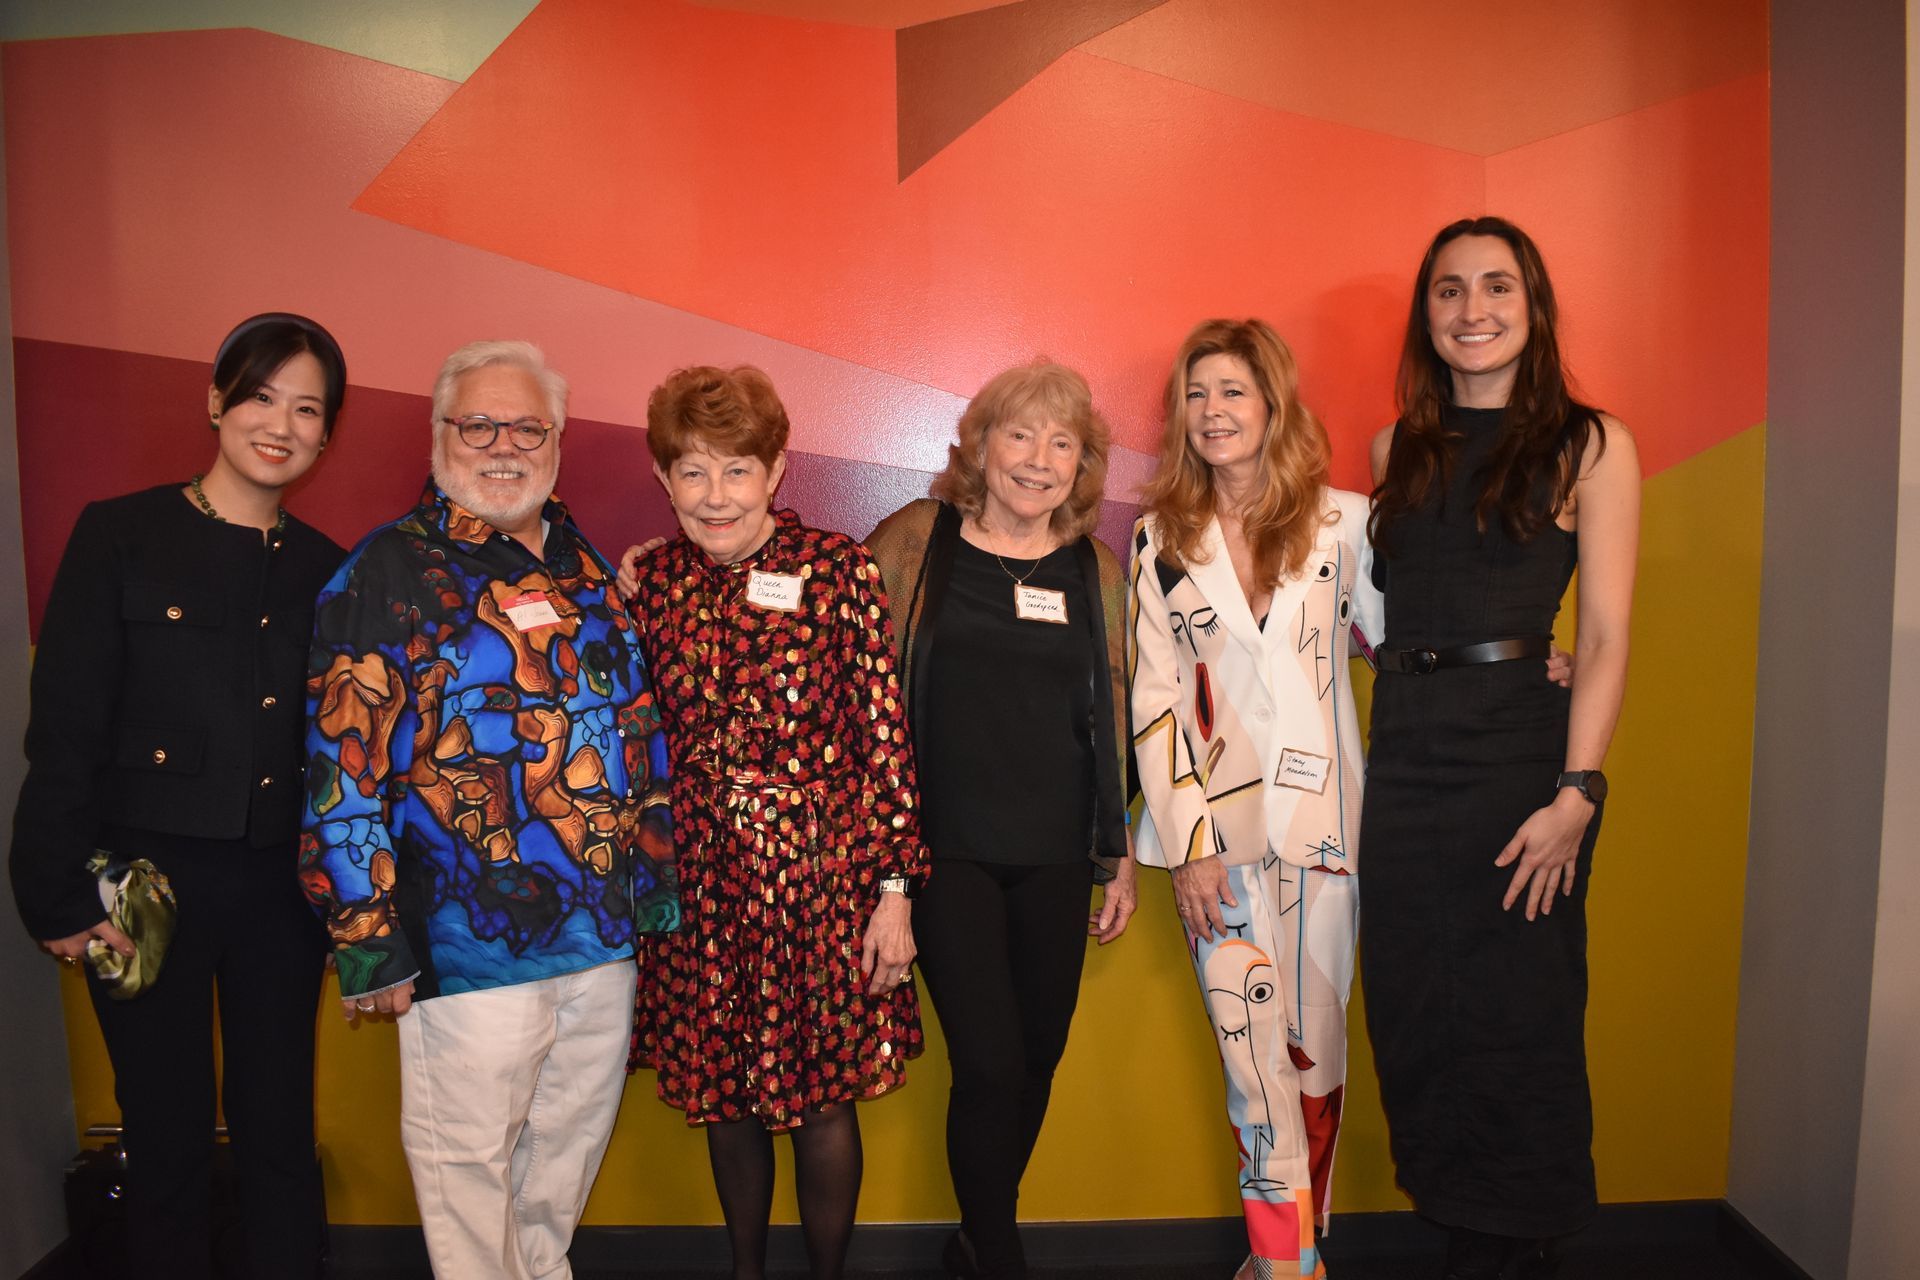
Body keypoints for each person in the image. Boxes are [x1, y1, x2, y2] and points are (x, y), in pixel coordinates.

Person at [301, 340, 677, 1280]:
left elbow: (636, 725)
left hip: (603, 939)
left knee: (561, 1164)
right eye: (478, 423)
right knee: (468, 1177)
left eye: (526, 426)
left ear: (554, 440)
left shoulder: (583, 560)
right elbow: (342, 772)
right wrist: (368, 940)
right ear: (441, 436)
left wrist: (656, 888)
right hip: (468, 946)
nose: (502, 445)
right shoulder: (385, 574)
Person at [10, 313, 347, 1278]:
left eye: (307, 408)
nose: (279, 423)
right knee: (165, 1137)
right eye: (259, 396)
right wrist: (59, 897)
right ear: (215, 400)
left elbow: (342, 759)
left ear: (327, 435)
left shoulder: (331, 571)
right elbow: (65, 727)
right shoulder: (120, 534)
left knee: (280, 1129)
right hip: (140, 889)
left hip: (281, 895)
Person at [1362, 216, 1639, 1280]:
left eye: (1496, 288)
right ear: (1426, 313)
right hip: (1406, 754)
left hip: (1523, 764)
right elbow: (1377, 609)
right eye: (1448, 291)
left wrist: (1579, 788)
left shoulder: (1590, 441)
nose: (1471, 310)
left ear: (1533, 309)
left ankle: (1518, 1241)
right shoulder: (1395, 449)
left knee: (1520, 1012)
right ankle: (1463, 1221)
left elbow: (1608, 633)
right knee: (1417, 1005)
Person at [622, 365, 925, 1280]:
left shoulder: (836, 571)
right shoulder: (652, 585)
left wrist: (896, 892)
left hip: (820, 886)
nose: (716, 497)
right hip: (702, 889)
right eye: (693, 473)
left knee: (825, 1102)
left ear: (777, 470)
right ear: (664, 479)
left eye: (737, 470)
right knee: (726, 1099)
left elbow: (885, 741)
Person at [865, 360, 1137, 1280]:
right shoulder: (915, 541)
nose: (1038, 459)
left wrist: (1118, 851)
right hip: (947, 854)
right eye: (1020, 435)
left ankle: (977, 1236)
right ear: (980, 446)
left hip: (1059, 855)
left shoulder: (1095, 570)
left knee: (1037, 1058)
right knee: (986, 1062)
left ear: (1082, 466)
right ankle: (1002, 1255)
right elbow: (839, 659)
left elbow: (1124, 708)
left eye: (1063, 443)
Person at [1128, 319, 1379, 1280]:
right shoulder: (1160, 541)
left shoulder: (1347, 524)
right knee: (1251, 1065)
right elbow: (1155, 703)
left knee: (1314, 1064)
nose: (1212, 412)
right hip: (1217, 851)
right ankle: (1283, 1263)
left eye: (1232, 391)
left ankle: (1298, 1253)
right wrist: (1188, 842)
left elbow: (1411, 648)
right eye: (1195, 395)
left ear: (1272, 401)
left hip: (1326, 841)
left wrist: (1535, 665)